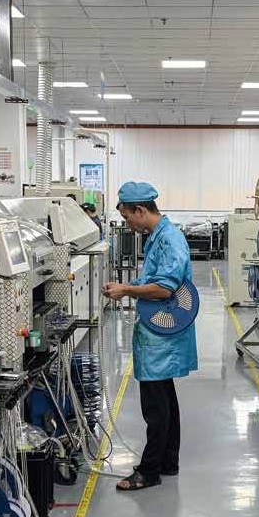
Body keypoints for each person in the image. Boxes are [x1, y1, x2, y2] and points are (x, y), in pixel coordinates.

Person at [103, 181, 197, 492]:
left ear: (140, 210)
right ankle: (168, 461)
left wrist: (126, 289)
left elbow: (165, 288)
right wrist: (128, 287)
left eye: (128, 217)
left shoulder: (169, 240)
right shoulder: (157, 237)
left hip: (162, 336)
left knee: (155, 406)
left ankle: (149, 471)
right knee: (165, 398)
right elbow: (155, 279)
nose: (128, 224)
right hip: (158, 329)